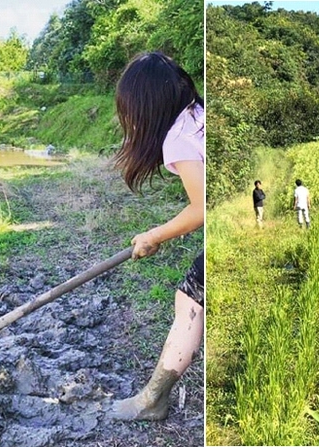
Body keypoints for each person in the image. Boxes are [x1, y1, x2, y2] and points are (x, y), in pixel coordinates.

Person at [109, 52, 204, 421]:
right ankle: (153, 398)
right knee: (192, 298)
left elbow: (201, 208)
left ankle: (152, 401)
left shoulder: (179, 138)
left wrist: (154, 235)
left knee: (190, 301)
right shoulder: (196, 117)